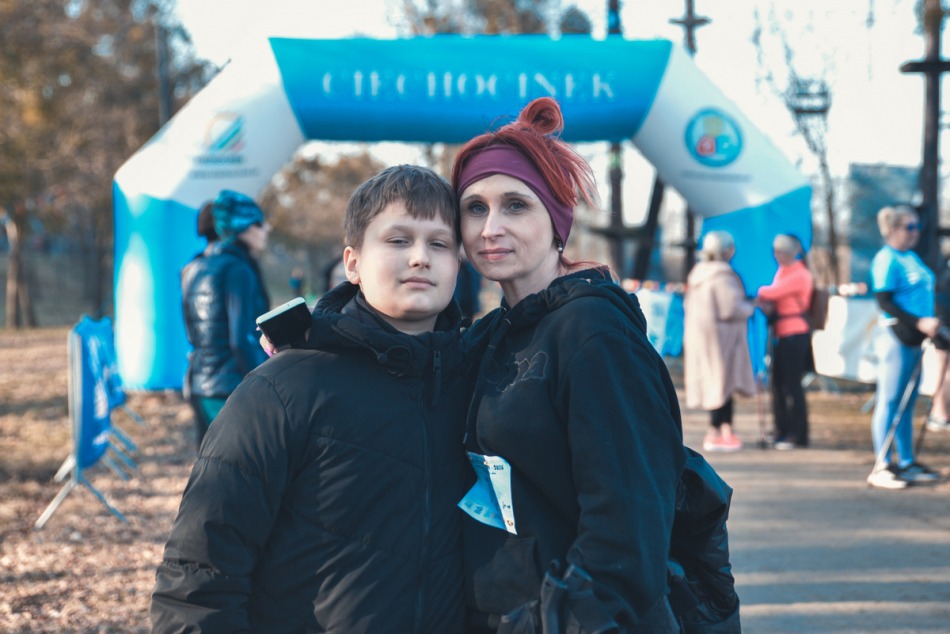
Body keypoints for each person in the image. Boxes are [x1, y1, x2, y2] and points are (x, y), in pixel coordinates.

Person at [151, 165, 470, 632]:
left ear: (459, 263)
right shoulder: (282, 391)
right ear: (352, 264)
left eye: (439, 244)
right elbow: (199, 579)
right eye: (398, 240)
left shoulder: (480, 384)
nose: (420, 257)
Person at [452, 97, 696, 632]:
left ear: (557, 221)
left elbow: (627, 528)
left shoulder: (593, 333)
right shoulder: (491, 334)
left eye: (516, 205)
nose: (491, 227)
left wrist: (559, 619)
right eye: (475, 208)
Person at [180, 190, 271, 446]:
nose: (267, 228)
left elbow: (192, 332)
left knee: (210, 462)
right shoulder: (237, 268)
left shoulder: (194, 267)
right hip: (228, 386)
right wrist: (266, 382)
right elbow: (241, 339)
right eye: (259, 223)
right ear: (243, 228)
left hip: (200, 383)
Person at [865, 205, 942, 489]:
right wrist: (919, 321)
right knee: (889, 400)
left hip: (916, 337)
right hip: (895, 336)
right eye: (910, 227)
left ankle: (906, 462)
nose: (915, 232)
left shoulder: (910, 257)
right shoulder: (886, 258)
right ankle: (882, 465)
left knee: (908, 402)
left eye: (917, 227)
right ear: (893, 229)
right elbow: (884, 301)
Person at [683, 231, 756, 452]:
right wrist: (751, 307)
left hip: (700, 336)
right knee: (723, 384)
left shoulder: (697, 274)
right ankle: (722, 432)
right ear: (726, 251)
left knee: (713, 382)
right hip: (723, 339)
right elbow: (729, 308)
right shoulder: (723, 275)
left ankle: (717, 430)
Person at [755, 234, 813, 450]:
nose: (776, 256)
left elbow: (770, 292)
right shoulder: (783, 271)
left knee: (792, 385)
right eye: (775, 252)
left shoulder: (800, 274)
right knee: (778, 384)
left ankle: (797, 434)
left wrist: (761, 294)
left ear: (790, 253)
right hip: (780, 334)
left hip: (795, 334)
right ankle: (782, 429)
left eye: (780, 252)